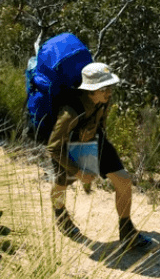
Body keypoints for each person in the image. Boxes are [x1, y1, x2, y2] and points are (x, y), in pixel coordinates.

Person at [47, 62, 154, 251]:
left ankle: (127, 233)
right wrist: (79, 171)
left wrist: (98, 155)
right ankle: (60, 215)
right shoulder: (70, 111)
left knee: (123, 180)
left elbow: (101, 124)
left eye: (110, 87)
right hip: (68, 147)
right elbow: (54, 148)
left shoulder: (102, 101)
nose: (109, 92)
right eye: (103, 88)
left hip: (96, 139)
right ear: (90, 90)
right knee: (61, 184)